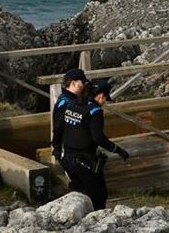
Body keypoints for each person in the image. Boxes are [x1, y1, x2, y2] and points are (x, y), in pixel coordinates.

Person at [53, 72, 129, 211]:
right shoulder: (95, 111)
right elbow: (98, 138)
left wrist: (56, 147)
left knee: (80, 192)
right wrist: (118, 150)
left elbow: (59, 128)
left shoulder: (72, 105)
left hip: (67, 159)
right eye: (105, 98)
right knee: (99, 194)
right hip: (84, 162)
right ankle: (97, 219)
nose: (104, 102)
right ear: (101, 96)